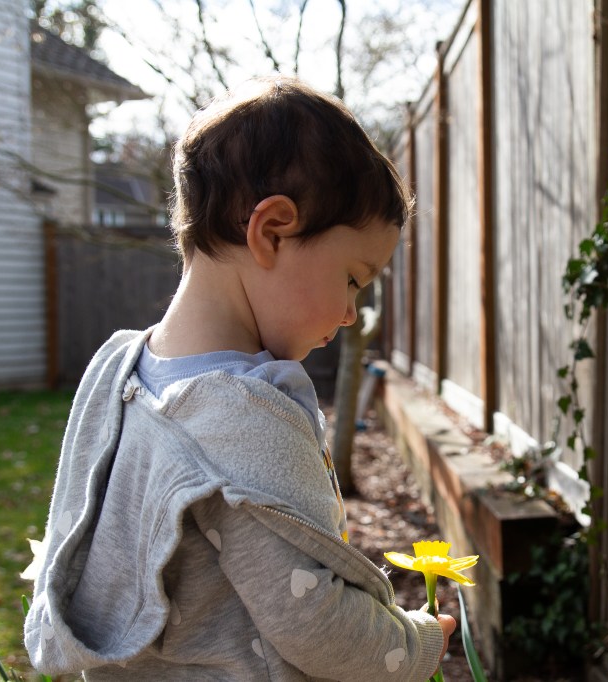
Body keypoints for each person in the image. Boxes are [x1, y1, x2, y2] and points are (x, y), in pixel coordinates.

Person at [24, 75, 455, 681]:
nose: (350, 312)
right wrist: (415, 642)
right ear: (271, 230)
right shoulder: (238, 419)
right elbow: (314, 623)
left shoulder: (120, 370)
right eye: (353, 278)